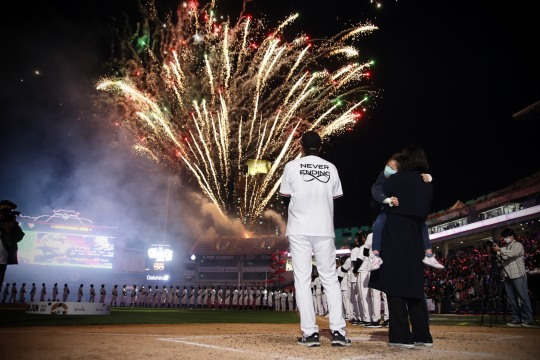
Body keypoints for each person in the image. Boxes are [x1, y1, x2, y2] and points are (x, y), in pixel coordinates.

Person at [279, 130, 351, 347]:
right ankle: (338, 332)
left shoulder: (292, 166)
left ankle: (310, 333)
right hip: (324, 228)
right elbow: (336, 197)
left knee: (302, 280)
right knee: (330, 279)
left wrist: (299, 209)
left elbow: (284, 197)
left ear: (301, 146)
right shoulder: (331, 167)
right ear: (320, 147)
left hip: (299, 228)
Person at [369, 145, 434, 348]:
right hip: (416, 237)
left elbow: (375, 202)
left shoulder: (396, 180)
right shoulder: (427, 183)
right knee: (414, 285)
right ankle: (423, 335)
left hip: (394, 235)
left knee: (395, 285)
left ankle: (401, 336)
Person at [369, 154, 444, 271]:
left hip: (403, 210)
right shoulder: (382, 176)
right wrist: (387, 200)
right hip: (386, 209)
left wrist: (426, 176)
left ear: (399, 171)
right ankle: (375, 255)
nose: (387, 169)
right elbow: (376, 189)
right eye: (387, 166)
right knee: (378, 224)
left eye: (392, 168)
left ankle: (429, 255)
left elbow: (414, 179)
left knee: (422, 225)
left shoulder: (403, 177)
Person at [492, 228, 534, 327]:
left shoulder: (518, 245)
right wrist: (496, 252)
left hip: (518, 274)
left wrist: (500, 250)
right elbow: (503, 258)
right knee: (512, 299)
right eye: (504, 237)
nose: (505, 239)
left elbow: (513, 253)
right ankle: (516, 319)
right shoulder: (505, 247)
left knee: (523, 297)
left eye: (506, 237)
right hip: (507, 275)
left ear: (512, 236)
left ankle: (528, 319)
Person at [0, 200, 25, 286]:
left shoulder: (13, 223)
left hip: (3, 257)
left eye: (8, 209)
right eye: (4, 208)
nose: (6, 211)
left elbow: (19, 236)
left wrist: (9, 229)